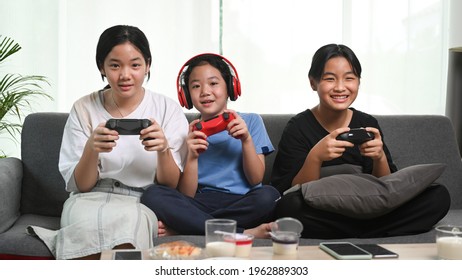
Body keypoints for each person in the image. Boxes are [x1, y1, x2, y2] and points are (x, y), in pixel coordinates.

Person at [27, 25, 188, 259]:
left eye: (135, 65)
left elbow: (171, 184)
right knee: (84, 230)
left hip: (140, 201)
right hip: (87, 198)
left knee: (130, 231)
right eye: (114, 65)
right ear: (101, 66)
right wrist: (91, 149)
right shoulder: (83, 108)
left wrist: (163, 149)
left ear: (148, 65)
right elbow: (82, 185)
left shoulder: (167, 110)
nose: (125, 75)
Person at [271, 44, 450, 239]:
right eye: (330, 79)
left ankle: (355, 230)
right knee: (289, 208)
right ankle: (375, 230)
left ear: (358, 82)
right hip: (325, 210)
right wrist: (316, 157)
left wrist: (379, 157)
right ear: (313, 83)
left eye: (349, 78)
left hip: (368, 208)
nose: (340, 87)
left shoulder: (367, 123)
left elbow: (388, 189)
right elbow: (287, 192)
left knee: (438, 196)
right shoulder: (298, 126)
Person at [141, 53, 281, 238]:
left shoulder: (250, 121)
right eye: (196, 86)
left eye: (213, 83)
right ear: (186, 95)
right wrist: (192, 156)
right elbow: (187, 194)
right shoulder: (186, 130)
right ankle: (242, 233)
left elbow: (255, 179)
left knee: (269, 195)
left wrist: (246, 140)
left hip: (243, 201)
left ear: (230, 86)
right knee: (153, 195)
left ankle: (189, 227)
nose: (205, 91)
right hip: (202, 202)